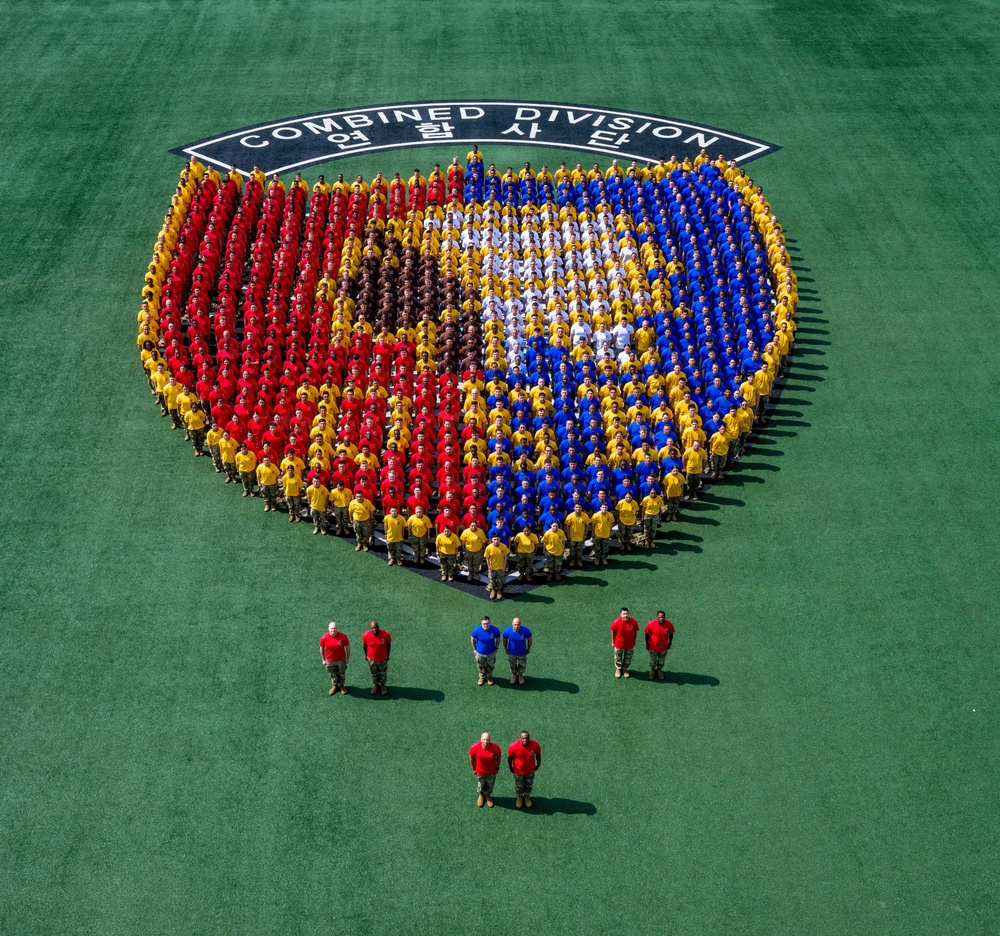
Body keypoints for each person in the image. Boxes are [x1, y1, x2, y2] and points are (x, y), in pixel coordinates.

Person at [507, 731, 542, 809]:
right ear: (520, 738)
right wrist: (510, 767)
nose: (525, 740)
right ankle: (520, 797)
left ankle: (526, 796)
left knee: (529, 784)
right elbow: (510, 758)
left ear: (529, 738)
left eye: (527, 738)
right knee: (519, 785)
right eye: (523, 738)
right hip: (518, 771)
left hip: (530, 770)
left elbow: (538, 755)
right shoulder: (513, 746)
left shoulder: (535, 745)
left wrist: (538, 764)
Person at [469, 732, 502, 808]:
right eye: (484, 739)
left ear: (490, 740)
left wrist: (497, 768)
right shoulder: (475, 747)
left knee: (490, 784)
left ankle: (487, 795)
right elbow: (471, 758)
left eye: (487, 739)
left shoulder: (495, 748)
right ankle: (481, 795)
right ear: (481, 740)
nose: (486, 741)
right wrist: (473, 769)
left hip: (491, 772)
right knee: (481, 784)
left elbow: (499, 757)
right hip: (480, 772)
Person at [361, 620, 391, 695]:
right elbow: (364, 646)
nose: (375, 629)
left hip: (382, 659)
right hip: (371, 660)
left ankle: (383, 686)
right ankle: (376, 685)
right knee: (373, 673)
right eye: (373, 628)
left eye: (376, 627)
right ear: (370, 628)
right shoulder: (366, 635)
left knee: (383, 673)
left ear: (378, 627)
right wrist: (366, 656)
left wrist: (387, 655)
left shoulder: (386, 634)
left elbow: (388, 645)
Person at [319, 621, 350, 695]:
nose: (333, 630)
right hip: (330, 661)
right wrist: (323, 660)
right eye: (331, 628)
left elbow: (347, 647)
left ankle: (342, 685)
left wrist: (347, 658)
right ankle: (335, 686)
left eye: (334, 628)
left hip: (341, 660)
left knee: (342, 673)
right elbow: (321, 649)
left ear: (337, 629)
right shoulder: (324, 638)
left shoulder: (343, 637)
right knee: (333, 674)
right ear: (328, 629)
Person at [470, 615, 501, 686]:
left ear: (489, 623)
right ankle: (482, 677)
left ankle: (489, 677)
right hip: (480, 653)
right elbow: (472, 639)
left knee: (490, 665)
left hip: (491, 652)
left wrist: (496, 647)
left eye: (487, 623)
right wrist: (474, 649)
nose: (485, 625)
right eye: (484, 624)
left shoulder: (495, 630)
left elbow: (498, 639)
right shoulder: (476, 630)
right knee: (480, 666)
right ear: (481, 623)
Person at [644, 610, 675, 680]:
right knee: (652, 660)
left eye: (663, 617)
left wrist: (669, 643)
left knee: (662, 660)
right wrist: (647, 644)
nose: (661, 619)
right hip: (653, 647)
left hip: (663, 647)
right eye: (660, 617)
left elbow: (671, 634)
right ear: (657, 617)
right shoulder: (651, 624)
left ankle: (659, 670)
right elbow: (646, 634)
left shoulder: (669, 624)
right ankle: (652, 670)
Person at [610, 607, 640, 678]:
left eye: (627, 614)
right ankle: (618, 669)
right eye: (624, 614)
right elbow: (612, 632)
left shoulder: (633, 622)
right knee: (618, 657)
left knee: (628, 657)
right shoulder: (616, 622)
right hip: (619, 644)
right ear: (620, 615)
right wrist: (612, 641)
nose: (626, 615)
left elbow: (635, 632)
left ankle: (625, 669)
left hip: (629, 644)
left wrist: (634, 641)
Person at [502, 616, 532, 684]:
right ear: (512, 624)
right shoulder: (507, 631)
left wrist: (529, 648)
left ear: (520, 624)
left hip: (522, 652)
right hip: (512, 653)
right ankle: (514, 675)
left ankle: (520, 675)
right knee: (512, 665)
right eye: (515, 624)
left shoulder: (526, 630)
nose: (516, 626)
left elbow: (530, 639)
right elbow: (504, 640)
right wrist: (505, 649)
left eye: (518, 624)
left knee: (522, 665)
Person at [484, 533, 510, 600]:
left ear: (499, 539)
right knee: (492, 580)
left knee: (500, 580)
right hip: (492, 568)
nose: (496, 541)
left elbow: (505, 557)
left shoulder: (503, 546)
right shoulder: (489, 547)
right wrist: (489, 568)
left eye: (497, 539)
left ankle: (499, 590)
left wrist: (504, 566)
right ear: (492, 540)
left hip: (500, 568)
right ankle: (493, 590)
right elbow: (487, 558)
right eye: (494, 539)